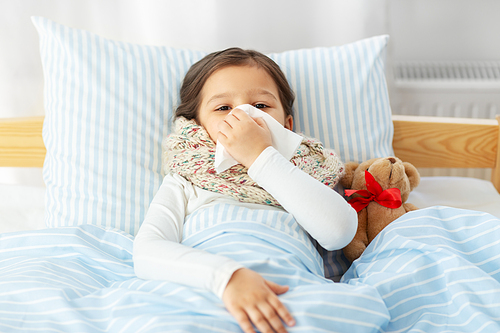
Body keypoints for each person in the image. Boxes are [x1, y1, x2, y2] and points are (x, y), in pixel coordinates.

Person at [133, 48, 358, 333]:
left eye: (261, 106)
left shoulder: (308, 174)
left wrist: (261, 157)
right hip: (205, 289)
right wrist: (228, 278)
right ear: (198, 127)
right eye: (223, 108)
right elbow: (147, 251)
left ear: (288, 125)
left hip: (289, 293)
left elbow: (339, 232)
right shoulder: (186, 180)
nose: (244, 117)